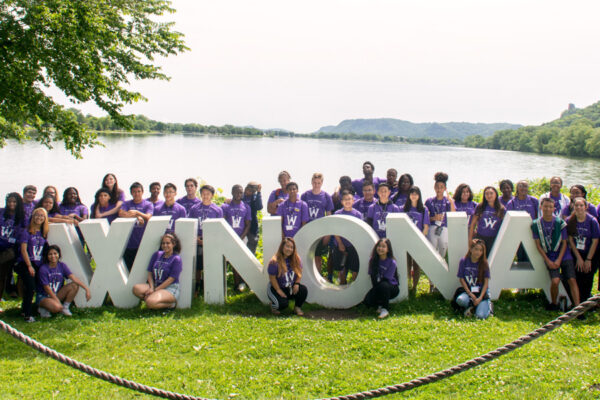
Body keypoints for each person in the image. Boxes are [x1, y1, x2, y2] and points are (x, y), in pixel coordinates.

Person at [532, 197, 580, 311]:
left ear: (554, 208)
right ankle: (554, 303)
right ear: (541, 207)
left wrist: (559, 260)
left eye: (550, 207)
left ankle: (578, 307)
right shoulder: (536, 224)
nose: (548, 209)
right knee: (555, 281)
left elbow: (564, 243)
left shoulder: (560, 223)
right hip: (550, 255)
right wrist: (548, 260)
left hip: (564, 254)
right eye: (545, 207)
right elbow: (538, 245)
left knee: (572, 279)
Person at [36, 245, 91, 318]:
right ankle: (43, 308)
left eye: (55, 253)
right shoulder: (43, 269)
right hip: (44, 296)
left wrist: (86, 289)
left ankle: (65, 307)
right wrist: (57, 301)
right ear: (47, 256)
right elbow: (47, 288)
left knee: (74, 285)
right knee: (57, 308)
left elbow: (73, 278)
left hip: (56, 293)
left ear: (59, 254)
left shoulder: (62, 265)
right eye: (50, 254)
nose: (53, 256)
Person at [132, 233, 182, 310]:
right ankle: (154, 300)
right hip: (155, 285)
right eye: (163, 243)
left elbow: (171, 279)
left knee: (150, 303)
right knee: (136, 289)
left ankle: (171, 305)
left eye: (168, 243)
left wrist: (155, 290)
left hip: (170, 288)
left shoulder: (176, 259)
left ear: (173, 244)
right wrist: (152, 288)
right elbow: (149, 273)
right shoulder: (157, 254)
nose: (165, 245)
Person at [16, 207, 49, 322]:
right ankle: (28, 315)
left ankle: (25, 310)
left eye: (42, 216)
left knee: (33, 288)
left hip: (38, 264)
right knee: (30, 287)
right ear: (33, 216)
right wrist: (29, 265)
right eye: (37, 215)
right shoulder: (27, 231)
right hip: (26, 263)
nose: (39, 218)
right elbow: (23, 250)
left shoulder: (44, 233)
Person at [189, 184, 223, 292]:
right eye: (203, 194)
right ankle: (198, 286)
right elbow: (191, 225)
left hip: (211, 240)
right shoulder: (194, 209)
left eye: (208, 194)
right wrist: (196, 238)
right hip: (198, 240)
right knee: (198, 265)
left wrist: (210, 240)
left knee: (210, 263)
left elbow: (219, 227)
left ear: (212, 195)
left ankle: (209, 286)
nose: (205, 196)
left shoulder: (217, 210)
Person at [566, 197, 599, 307]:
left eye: (581, 205)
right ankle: (576, 303)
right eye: (576, 206)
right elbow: (570, 240)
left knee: (587, 279)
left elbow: (595, 241)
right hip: (576, 254)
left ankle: (585, 304)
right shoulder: (570, 221)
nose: (579, 208)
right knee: (577, 278)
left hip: (590, 254)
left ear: (586, 207)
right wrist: (579, 258)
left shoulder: (592, 221)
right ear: (573, 207)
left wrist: (588, 259)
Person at [301, 173, 333, 274]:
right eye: (314, 182)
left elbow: (329, 215)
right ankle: (306, 276)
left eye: (319, 183)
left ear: (322, 183)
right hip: (307, 229)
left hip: (320, 230)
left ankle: (318, 276)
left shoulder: (326, 196)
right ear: (311, 182)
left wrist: (327, 233)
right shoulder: (305, 195)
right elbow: (301, 213)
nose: (316, 185)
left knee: (317, 256)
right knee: (306, 254)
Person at [222, 184, 252, 291]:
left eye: (240, 192)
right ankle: (233, 284)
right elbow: (223, 222)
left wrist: (241, 237)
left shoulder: (246, 207)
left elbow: (248, 224)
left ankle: (240, 284)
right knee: (230, 261)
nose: (238, 194)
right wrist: (230, 236)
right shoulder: (225, 206)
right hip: (229, 237)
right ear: (232, 192)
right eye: (236, 192)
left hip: (241, 237)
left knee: (240, 260)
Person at [267, 237, 307, 316]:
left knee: (303, 290)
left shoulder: (296, 259)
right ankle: (273, 305)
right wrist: (278, 290)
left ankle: (297, 308)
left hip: (289, 287)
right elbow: (272, 278)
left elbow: (299, 272)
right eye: (287, 246)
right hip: (275, 288)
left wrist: (297, 284)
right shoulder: (274, 261)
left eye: (292, 247)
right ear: (282, 247)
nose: (289, 249)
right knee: (282, 305)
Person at [119, 182, 154, 270]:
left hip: (142, 242)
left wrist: (137, 212)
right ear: (131, 193)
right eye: (134, 192)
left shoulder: (148, 204)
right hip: (129, 243)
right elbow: (121, 213)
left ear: (142, 192)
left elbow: (148, 217)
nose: (137, 194)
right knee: (128, 269)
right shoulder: (126, 204)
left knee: (141, 269)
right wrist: (137, 216)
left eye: (139, 191)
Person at [454, 239, 492, 319]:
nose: (478, 252)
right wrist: (470, 293)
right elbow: (461, 279)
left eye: (481, 250)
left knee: (480, 316)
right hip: (468, 291)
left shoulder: (484, 263)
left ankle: (485, 305)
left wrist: (480, 297)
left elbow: (486, 283)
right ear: (471, 249)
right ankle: (472, 306)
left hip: (481, 293)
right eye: (476, 249)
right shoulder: (463, 261)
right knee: (460, 300)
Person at [0, 193, 25, 313]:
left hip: (10, 251)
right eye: (9, 201)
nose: (11, 204)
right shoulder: (1, 212)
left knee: (2, 276)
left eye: (14, 202)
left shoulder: (21, 217)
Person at [402, 186, 430, 291]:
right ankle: (408, 285)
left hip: (418, 240)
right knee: (408, 263)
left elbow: (426, 226)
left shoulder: (423, 209)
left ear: (419, 196)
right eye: (411, 193)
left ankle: (415, 287)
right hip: (407, 240)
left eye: (416, 193)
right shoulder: (404, 209)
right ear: (409, 195)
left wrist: (420, 240)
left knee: (416, 265)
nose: (413, 196)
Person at [332, 191, 363, 284]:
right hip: (340, 244)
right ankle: (342, 282)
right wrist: (340, 243)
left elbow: (360, 230)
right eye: (345, 199)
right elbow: (335, 229)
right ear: (342, 202)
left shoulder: (358, 214)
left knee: (354, 266)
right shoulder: (337, 213)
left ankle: (354, 284)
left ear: (353, 201)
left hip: (353, 245)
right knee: (341, 266)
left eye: (349, 199)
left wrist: (355, 243)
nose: (347, 201)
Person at [363, 238, 399, 319]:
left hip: (391, 287)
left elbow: (386, 279)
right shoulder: (373, 260)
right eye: (379, 246)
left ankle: (385, 309)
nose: (380, 248)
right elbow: (373, 278)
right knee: (367, 301)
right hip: (379, 285)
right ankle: (379, 304)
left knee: (384, 286)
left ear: (388, 249)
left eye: (384, 247)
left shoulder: (392, 262)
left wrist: (376, 292)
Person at [425, 172, 455, 263]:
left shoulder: (448, 201)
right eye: (437, 186)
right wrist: (433, 218)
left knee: (443, 250)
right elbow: (425, 218)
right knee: (432, 250)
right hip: (432, 227)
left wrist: (451, 202)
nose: (439, 189)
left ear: (445, 188)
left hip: (444, 227)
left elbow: (453, 213)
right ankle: (431, 276)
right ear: (434, 187)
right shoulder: (429, 201)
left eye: (441, 187)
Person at [506, 180, 539, 263]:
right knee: (521, 257)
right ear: (517, 188)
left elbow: (538, 216)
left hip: (531, 233)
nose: (523, 188)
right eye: (521, 186)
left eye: (525, 186)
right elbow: (508, 220)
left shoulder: (534, 201)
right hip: (518, 234)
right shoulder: (512, 203)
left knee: (531, 257)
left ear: (528, 188)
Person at [469, 186, 505, 255]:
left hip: (494, 239)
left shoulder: (501, 209)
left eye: (491, 193)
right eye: (486, 193)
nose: (489, 195)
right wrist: (470, 239)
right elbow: (473, 224)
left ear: (496, 194)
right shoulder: (480, 207)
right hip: (480, 238)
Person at [242, 182, 263, 255]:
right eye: (248, 189)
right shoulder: (240, 196)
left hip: (252, 229)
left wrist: (259, 192)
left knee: (250, 253)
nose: (249, 191)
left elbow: (259, 206)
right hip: (241, 228)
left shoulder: (255, 198)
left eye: (252, 190)